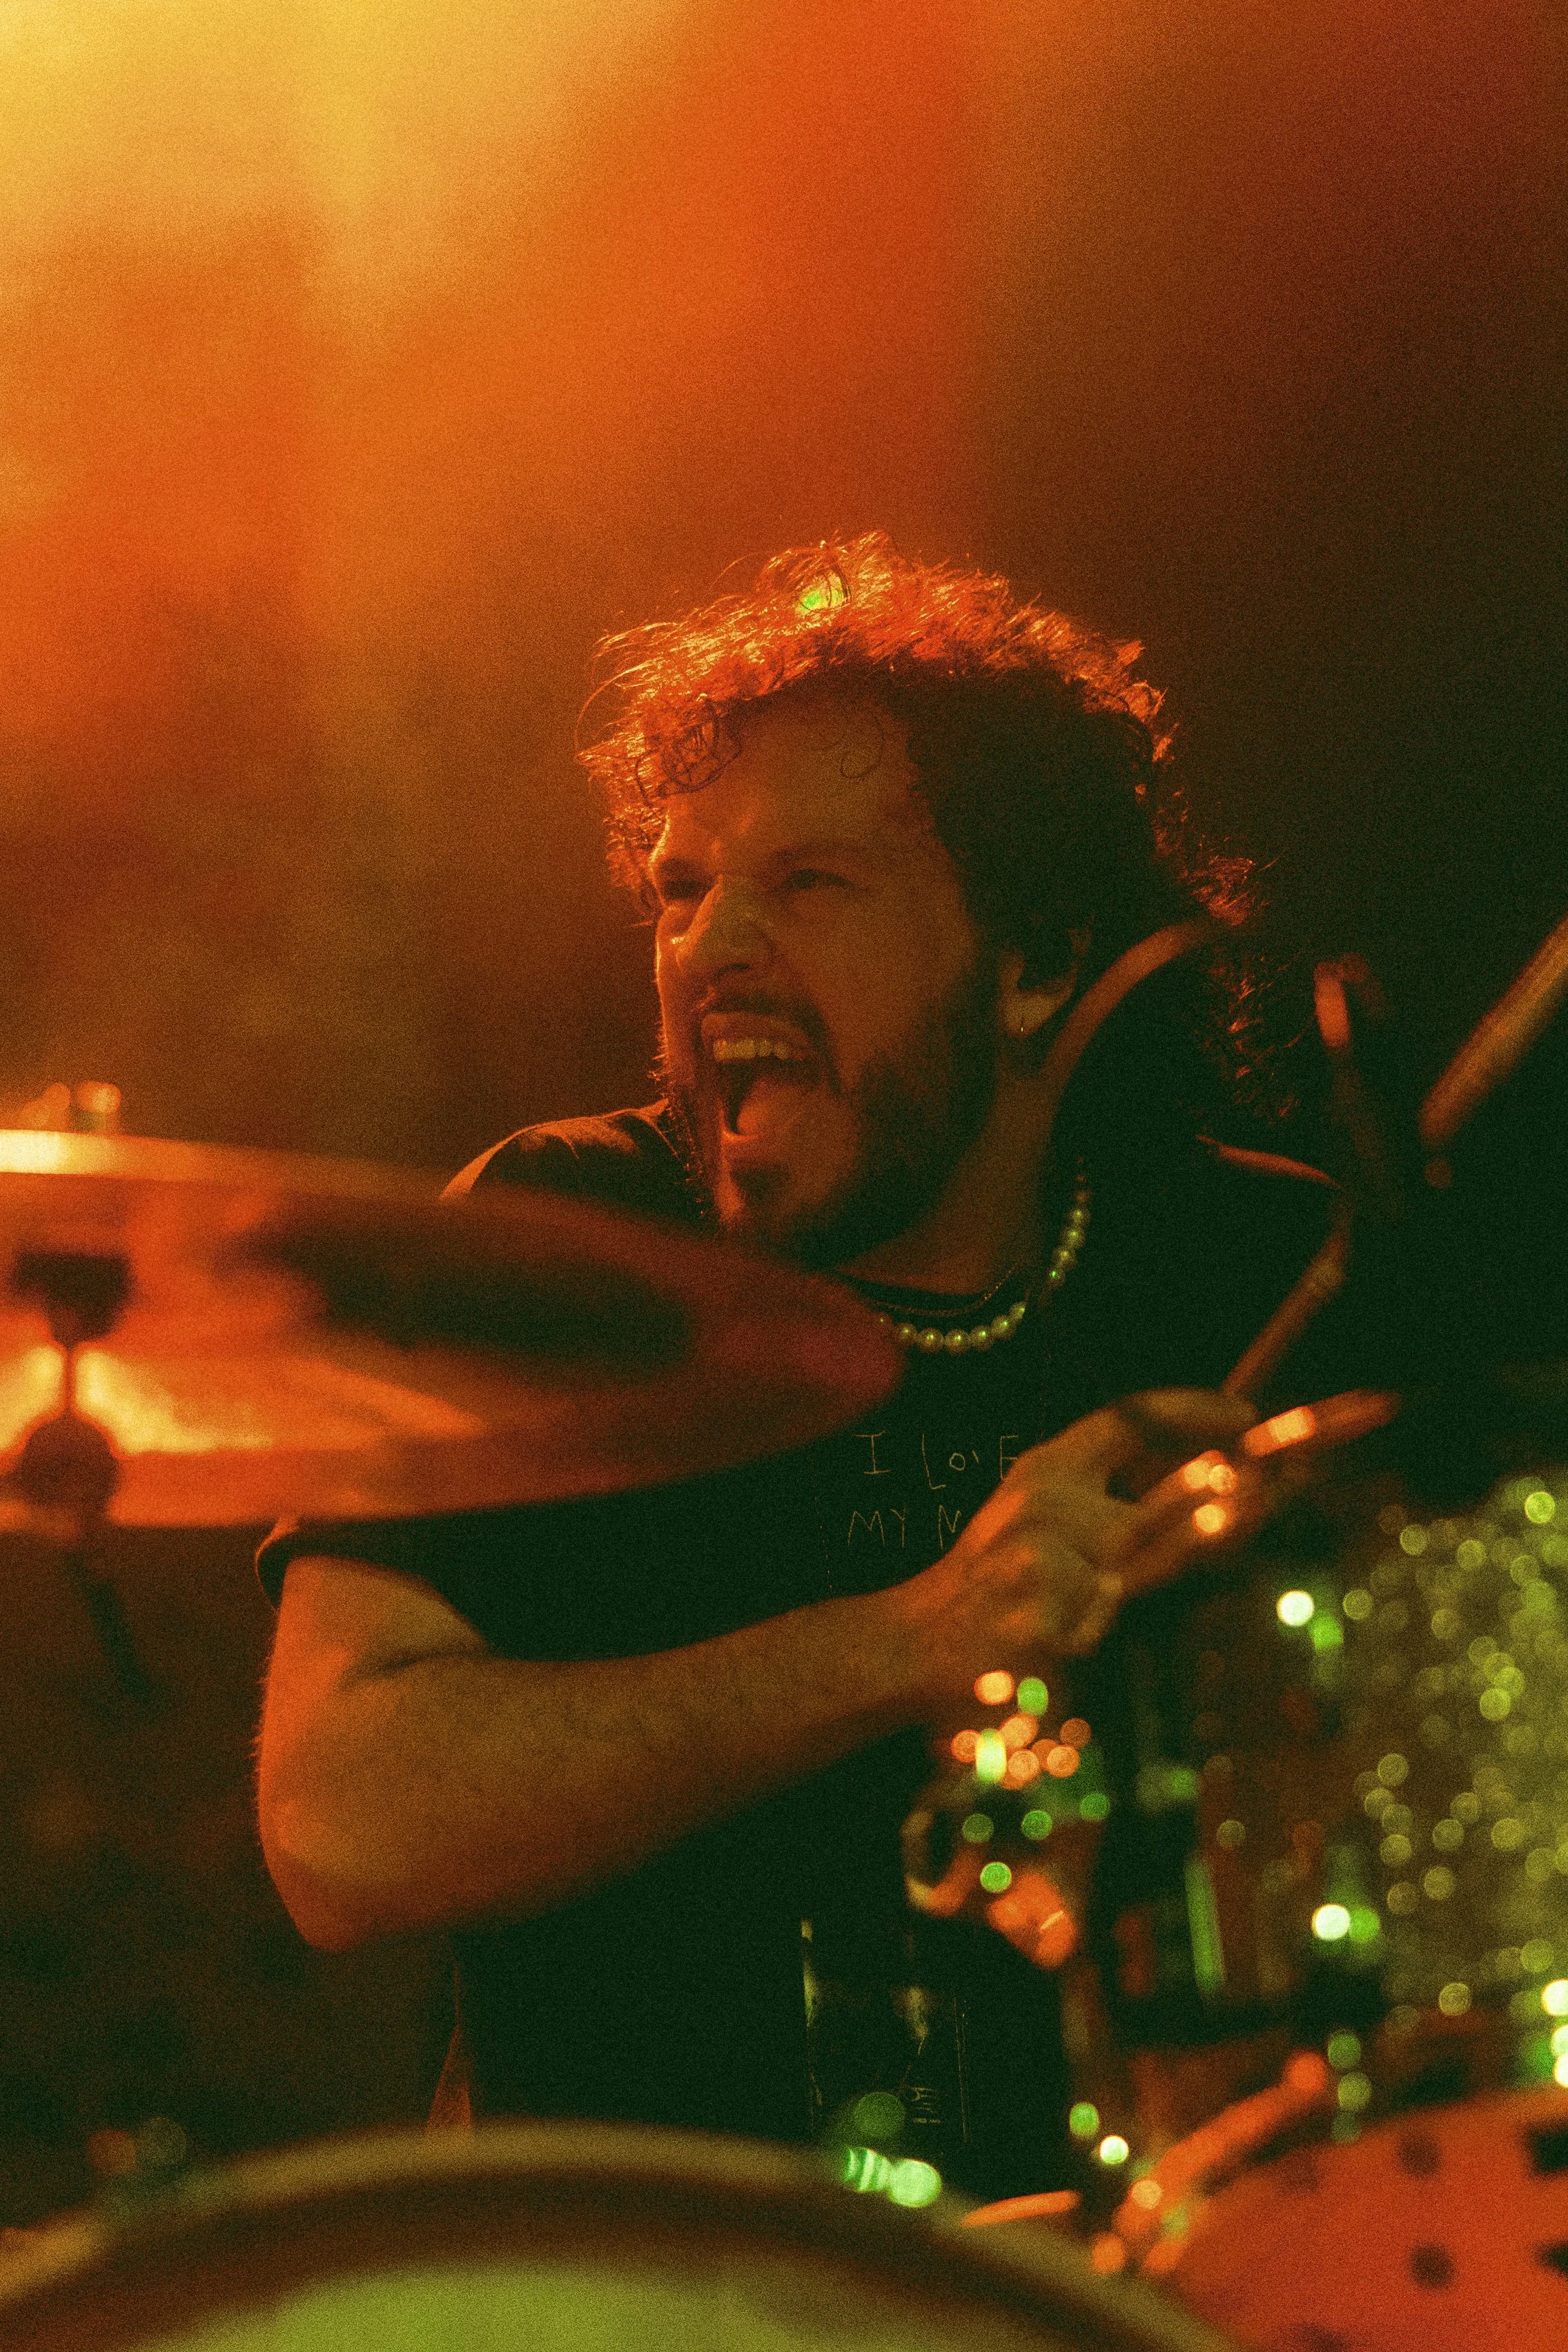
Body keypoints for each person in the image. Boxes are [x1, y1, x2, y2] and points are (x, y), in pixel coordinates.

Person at [255, 536, 1350, 2196]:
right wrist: (912, 1642)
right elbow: (341, 1825)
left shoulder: (1256, 1269)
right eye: (682, 889)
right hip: (650, 2274)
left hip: (1150, 2275)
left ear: (1034, 964)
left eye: (809, 884)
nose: (710, 948)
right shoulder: (563, 1250)